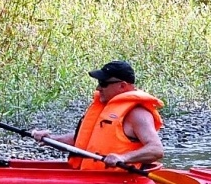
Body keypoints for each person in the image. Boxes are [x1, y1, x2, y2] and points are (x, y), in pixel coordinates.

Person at [32, 60, 166, 170]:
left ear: (123, 86)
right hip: (89, 175)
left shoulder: (137, 113)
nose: (98, 88)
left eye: (103, 83)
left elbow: (156, 149)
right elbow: (84, 141)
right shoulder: (105, 107)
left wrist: (123, 158)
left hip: (121, 180)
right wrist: (51, 139)